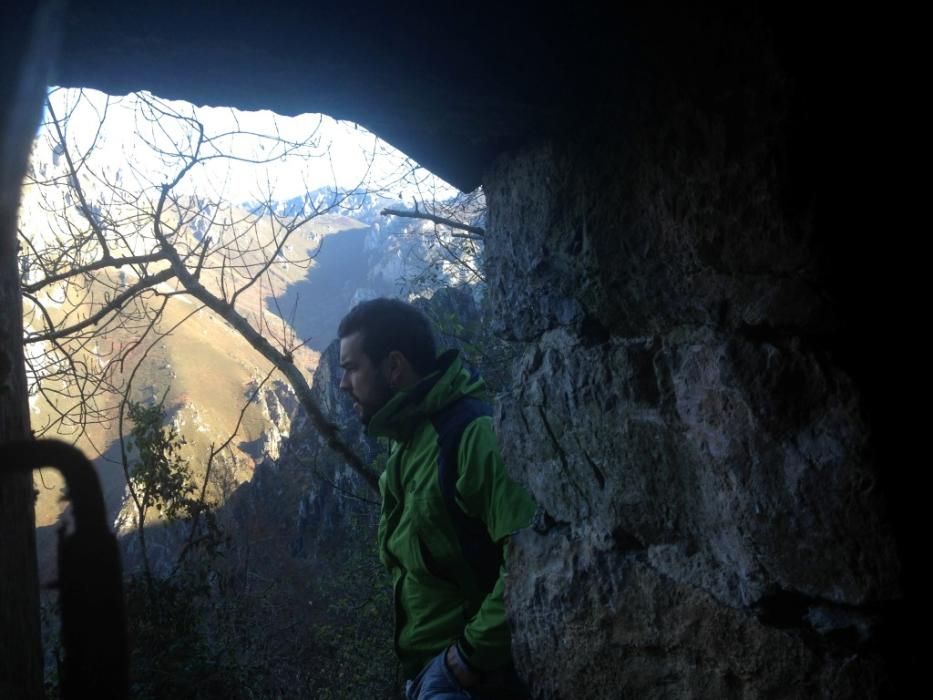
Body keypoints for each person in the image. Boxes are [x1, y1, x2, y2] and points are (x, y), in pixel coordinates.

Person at [337, 297, 535, 700]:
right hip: (432, 677)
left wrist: (467, 659)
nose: (342, 384)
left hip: (476, 681)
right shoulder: (406, 443)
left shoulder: (471, 435)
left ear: (394, 367)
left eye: (351, 368)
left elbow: (530, 556)